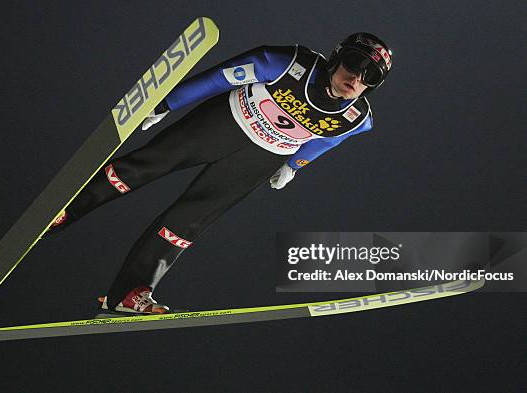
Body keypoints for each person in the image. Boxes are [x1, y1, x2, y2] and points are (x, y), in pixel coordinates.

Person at [47, 32, 394, 316]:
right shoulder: (288, 62)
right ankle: (63, 210)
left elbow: (325, 142)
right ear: (338, 56)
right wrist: (166, 102)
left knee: (188, 222)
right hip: (224, 124)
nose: (357, 77)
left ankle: (128, 294)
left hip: (260, 158)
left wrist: (293, 166)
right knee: (144, 166)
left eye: (371, 75)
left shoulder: (358, 119)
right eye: (355, 63)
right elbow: (219, 77)